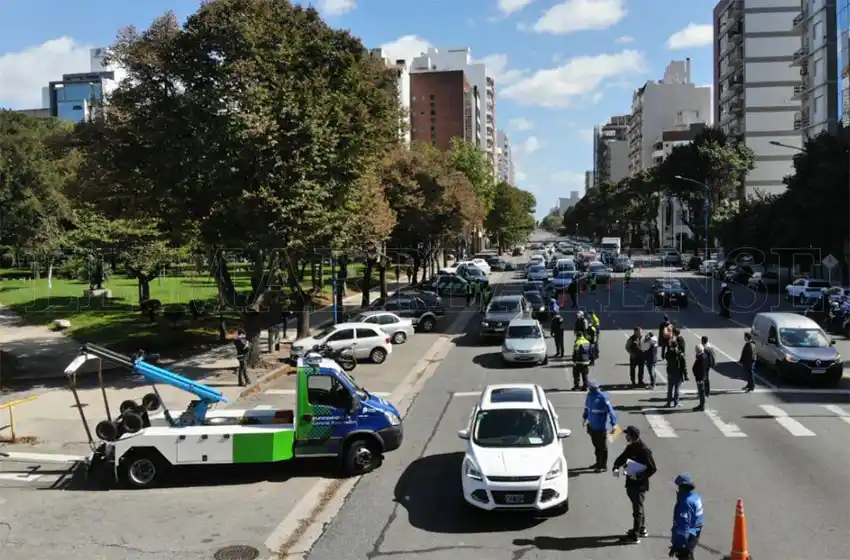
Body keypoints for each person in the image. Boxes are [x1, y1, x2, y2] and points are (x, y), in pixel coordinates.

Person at [613, 426, 657, 544]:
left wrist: (639, 476)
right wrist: (616, 466)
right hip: (631, 481)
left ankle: (635, 536)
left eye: (627, 435)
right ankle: (641, 529)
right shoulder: (631, 447)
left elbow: (652, 468)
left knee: (637, 509)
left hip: (639, 484)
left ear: (632, 436)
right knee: (638, 506)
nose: (625, 437)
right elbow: (622, 457)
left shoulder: (644, 450)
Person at [582, 381, 617, 471]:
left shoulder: (603, 397)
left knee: (602, 446)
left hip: (601, 427)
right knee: (596, 446)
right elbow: (587, 408)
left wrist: (613, 424)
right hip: (592, 426)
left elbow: (611, 411)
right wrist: (584, 418)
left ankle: (603, 465)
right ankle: (598, 463)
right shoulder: (589, 396)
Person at [669, 474, 705, 559]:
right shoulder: (695, 496)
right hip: (695, 530)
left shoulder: (685, 503)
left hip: (688, 536)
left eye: (679, 486)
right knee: (690, 554)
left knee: (685, 556)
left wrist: (677, 545)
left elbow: (683, 527)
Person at [665, 341, 685, 407]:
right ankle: (676, 402)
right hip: (678, 373)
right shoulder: (680, 354)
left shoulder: (669, 353)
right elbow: (684, 365)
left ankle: (668, 402)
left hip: (670, 372)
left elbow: (666, 357)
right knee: (677, 389)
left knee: (670, 389)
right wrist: (685, 374)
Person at [692, 345, 707, 411]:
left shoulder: (701, 358)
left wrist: (699, 377)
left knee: (701, 391)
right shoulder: (704, 356)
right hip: (702, 376)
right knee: (701, 391)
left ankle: (702, 405)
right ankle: (701, 404)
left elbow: (698, 368)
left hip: (700, 377)